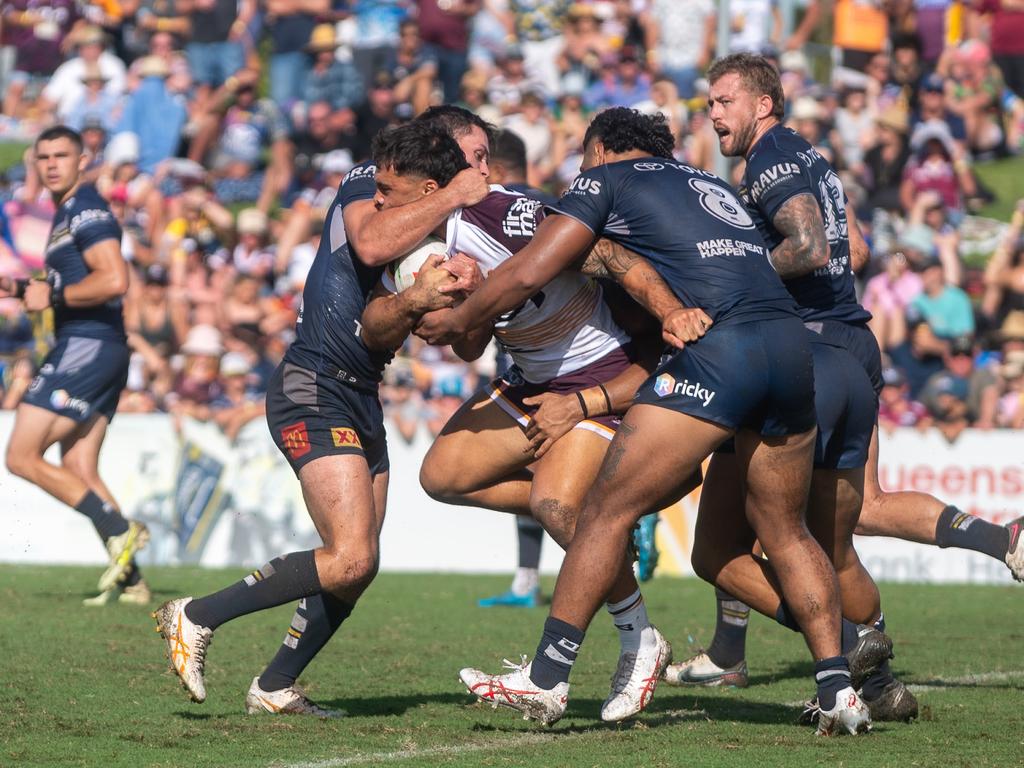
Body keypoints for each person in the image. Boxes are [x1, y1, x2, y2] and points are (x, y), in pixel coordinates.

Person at [418, 107, 870, 735]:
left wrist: (462, 320)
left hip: (720, 350)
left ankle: (547, 680)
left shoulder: (606, 180)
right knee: (786, 530)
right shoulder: (707, 182)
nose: (579, 171)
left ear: (599, 149)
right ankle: (839, 690)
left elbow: (528, 270)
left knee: (602, 511)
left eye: (582, 158)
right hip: (792, 350)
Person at [664, 53, 1022, 714]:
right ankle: (880, 680)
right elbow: (852, 250)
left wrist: (734, 286)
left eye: (723, 100)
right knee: (842, 529)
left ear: (763, 103)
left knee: (755, 530)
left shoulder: (768, 161)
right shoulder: (811, 156)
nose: (712, 113)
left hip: (806, 354)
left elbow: (809, 248)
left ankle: (788, 656)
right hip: (852, 345)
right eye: (708, 102)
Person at [151, 116, 489, 715]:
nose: (480, 170)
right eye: (472, 156)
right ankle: (195, 615)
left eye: (484, 160)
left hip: (361, 394)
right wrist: (458, 199)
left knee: (356, 566)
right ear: (440, 158)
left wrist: (475, 295)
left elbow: (463, 345)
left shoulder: (448, 228)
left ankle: (276, 685)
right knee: (350, 555)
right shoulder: (370, 181)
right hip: (313, 385)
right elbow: (369, 244)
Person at [361, 122, 679, 722]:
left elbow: (605, 252)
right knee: (443, 477)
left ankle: (639, 640)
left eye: (388, 189)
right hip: (531, 381)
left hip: (602, 370)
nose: (378, 202)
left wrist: (668, 311)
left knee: (557, 506)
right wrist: (463, 304)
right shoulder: (418, 253)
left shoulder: (502, 212)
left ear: (429, 187)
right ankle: (603, 525)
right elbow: (466, 346)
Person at [0, 126, 149, 605]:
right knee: (80, 465)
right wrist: (26, 289)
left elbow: (114, 279)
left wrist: (54, 294)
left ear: (83, 160)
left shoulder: (85, 209)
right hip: (100, 347)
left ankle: (119, 530)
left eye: (61, 155)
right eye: (42, 157)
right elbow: (76, 282)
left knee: (21, 456)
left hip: (87, 345)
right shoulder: (67, 212)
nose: (51, 164)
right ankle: (134, 583)